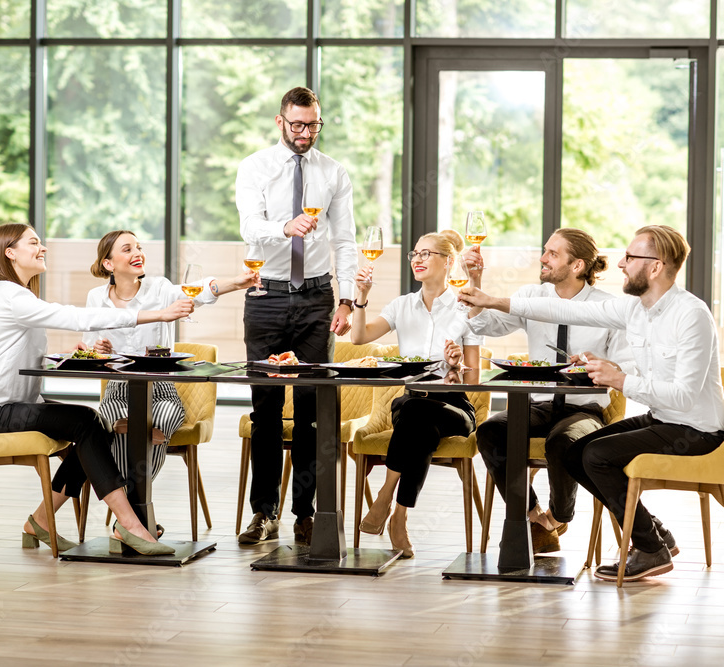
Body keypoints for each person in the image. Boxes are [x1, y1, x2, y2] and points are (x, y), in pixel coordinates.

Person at [459, 225, 724, 582]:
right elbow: (566, 311)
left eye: (630, 257)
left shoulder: (690, 315)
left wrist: (619, 378)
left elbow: (684, 396)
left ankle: (650, 548)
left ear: (655, 267)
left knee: (594, 455)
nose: (620, 263)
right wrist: (492, 300)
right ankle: (656, 534)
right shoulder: (636, 309)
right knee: (577, 454)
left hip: (696, 429)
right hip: (663, 418)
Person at [0, 223, 192, 556]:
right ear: (10, 253)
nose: (43, 248)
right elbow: (71, 315)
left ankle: (40, 521)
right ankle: (129, 523)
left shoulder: (18, 297)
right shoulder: (11, 297)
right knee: (86, 424)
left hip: (14, 402)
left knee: (90, 427)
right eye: (34, 242)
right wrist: (158, 315)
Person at [235, 86, 358, 546]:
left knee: (311, 410)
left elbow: (344, 240)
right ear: (280, 121)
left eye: (313, 125)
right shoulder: (255, 167)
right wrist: (283, 228)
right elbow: (249, 226)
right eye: (297, 125)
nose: (305, 133)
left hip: (317, 299)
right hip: (265, 295)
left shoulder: (333, 173)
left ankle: (306, 514)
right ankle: (263, 514)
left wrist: (347, 301)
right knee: (266, 409)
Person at [463, 228, 633, 554]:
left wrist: (598, 364)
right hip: (538, 405)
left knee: (563, 441)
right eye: (545, 251)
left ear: (578, 265)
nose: (543, 258)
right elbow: (485, 325)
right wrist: (476, 282)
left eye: (553, 254)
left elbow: (625, 367)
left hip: (584, 410)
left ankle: (558, 517)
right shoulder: (531, 296)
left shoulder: (608, 308)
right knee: (491, 431)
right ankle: (532, 514)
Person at [83, 230, 257, 494]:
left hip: (161, 390)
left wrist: (236, 282)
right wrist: (101, 349)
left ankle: (129, 508)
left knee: (158, 422)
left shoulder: (160, 289)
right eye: (127, 249)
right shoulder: (96, 298)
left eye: (139, 247)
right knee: (112, 423)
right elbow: (91, 348)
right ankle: (136, 511)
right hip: (117, 390)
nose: (138, 253)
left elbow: (197, 291)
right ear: (109, 264)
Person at [351, 230, 481, 558]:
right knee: (416, 417)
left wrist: (455, 368)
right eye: (414, 254)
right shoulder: (402, 305)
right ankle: (399, 516)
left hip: (454, 407)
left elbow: (474, 378)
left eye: (426, 254)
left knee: (416, 416)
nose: (418, 260)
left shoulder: (465, 308)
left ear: (448, 262)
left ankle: (385, 496)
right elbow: (358, 337)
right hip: (413, 404)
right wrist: (361, 297)